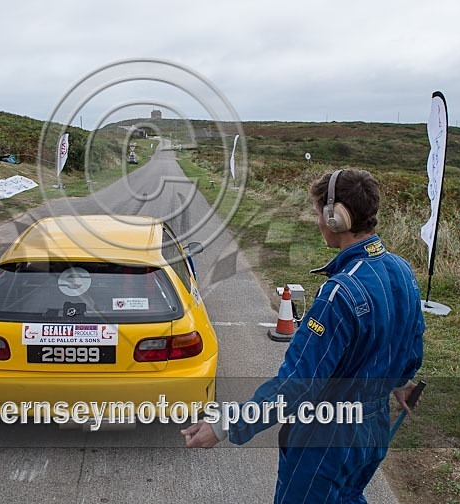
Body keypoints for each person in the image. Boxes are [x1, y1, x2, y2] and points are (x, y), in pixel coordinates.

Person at [182, 169, 425, 503]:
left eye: (317, 213)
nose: (317, 222)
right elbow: (407, 342)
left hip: (328, 433)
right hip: (373, 427)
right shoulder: (402, 269)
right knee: (347, 495)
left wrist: (227, 424)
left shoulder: (339, 293)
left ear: (336, 217)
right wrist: (399, 381)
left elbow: (298, 384)